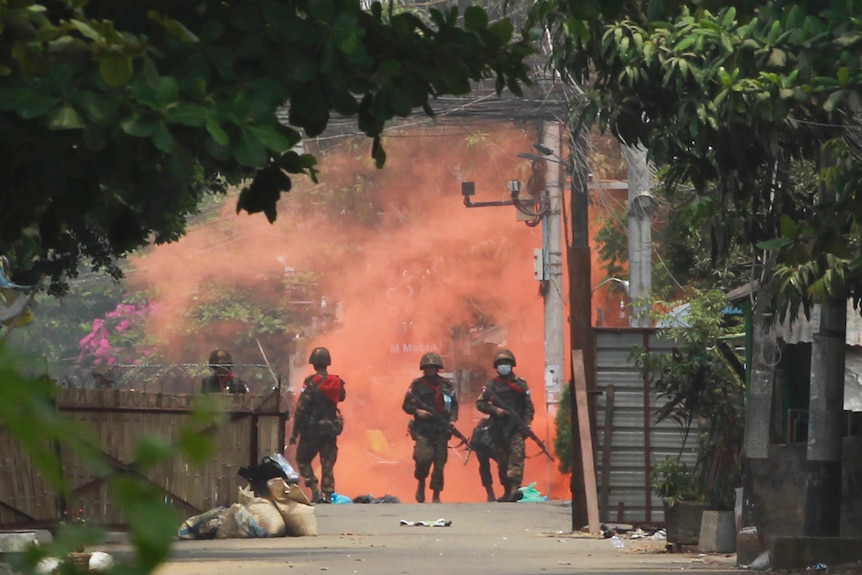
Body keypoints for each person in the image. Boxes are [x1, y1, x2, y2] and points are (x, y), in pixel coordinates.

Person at [476, 348, 534, 502]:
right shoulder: (492, 385)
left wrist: (527, 424)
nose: (504, 366)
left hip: (516, 428)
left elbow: (529, 407)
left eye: (506, 363)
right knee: (502, 462)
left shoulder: (520, 384)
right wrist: (495, 410)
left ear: (512, 365)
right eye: (501, 363)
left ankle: (515, 488)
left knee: (516, 457)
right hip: (498, 429)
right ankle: (507, 491)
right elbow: (480, 403)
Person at [289, 347, 346, 504]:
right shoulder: (336, 382)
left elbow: (301, 409)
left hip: (312, 430)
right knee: (327, 464)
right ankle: (328, 495)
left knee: (302, 459)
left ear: (313, 364)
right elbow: (342, 397)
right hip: (330, 430)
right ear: (328, 362)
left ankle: (315, 491)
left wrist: (295, 433)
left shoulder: (310, 383)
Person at [401, 352, 459, 503]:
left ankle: (436, 495)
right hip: (424, 430)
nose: (431, 370)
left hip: (441, 429)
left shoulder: (447, 385)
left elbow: (453, 406)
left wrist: (452, 421)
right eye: (428, 368)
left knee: (439, 464)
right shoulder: (417, 385)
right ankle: (421, 483)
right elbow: (406, 405)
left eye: (433, 368)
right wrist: (417, 411)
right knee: (423, 458)